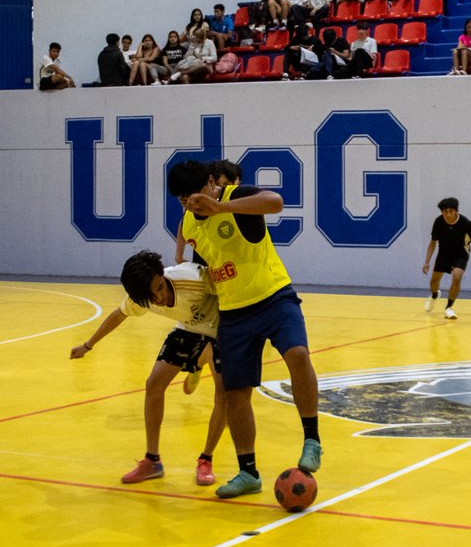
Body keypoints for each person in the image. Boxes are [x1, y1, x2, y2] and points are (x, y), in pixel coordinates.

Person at [170, 160, 324, 498]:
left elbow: (276, 202)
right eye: (181, 199)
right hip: (234, 312)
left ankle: (312, 439)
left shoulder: (235, 195)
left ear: (211, 182)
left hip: (273, 296)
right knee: (235, 394)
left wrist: (219, 206)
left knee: (298, 355)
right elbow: (196, 248)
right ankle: (248, 472)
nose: (189, 203)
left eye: (193, 194)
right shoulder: (188, 223)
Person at [70, 250, 227, 487]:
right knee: (154, 384)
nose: (159, 298)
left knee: (224, 392)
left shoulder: (193, 277)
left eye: (161, 288)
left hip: (223, 327)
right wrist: (87, 345)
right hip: (189, 328)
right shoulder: (140, 297)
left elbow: (233, 291)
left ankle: (206, 459)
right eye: (151, 296)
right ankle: (152, 460)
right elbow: (118, 315)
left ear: (162, 276)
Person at [422, 197, 471, 320]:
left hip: (461, 253)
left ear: (456, 211)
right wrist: (427, 262)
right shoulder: (438, 222)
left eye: (450, 211)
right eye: (444, 212)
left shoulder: (467, 224)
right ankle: (434, 295)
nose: (447, 215)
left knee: (457, 277)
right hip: (444, 253)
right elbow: (433, 242)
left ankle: (449, 307)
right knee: (434, 282)